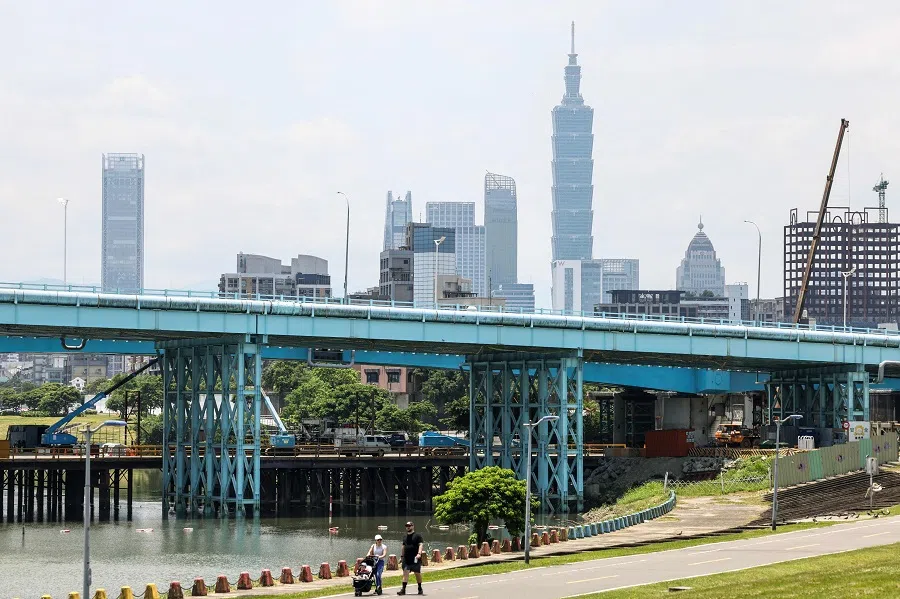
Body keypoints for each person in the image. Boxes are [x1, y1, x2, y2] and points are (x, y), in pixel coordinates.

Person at [398, 521, 424, 595]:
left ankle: (420, 587)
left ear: (413, 526)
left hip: (415, 558)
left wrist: (419, 553)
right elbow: (403, 547)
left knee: (417, 574)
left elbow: (420, 545)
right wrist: (402, 556)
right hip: (406, 558)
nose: (408, 527)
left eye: (409, 525)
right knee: (405, 572)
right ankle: (403, 589)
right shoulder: (404, 536)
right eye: (407, 526)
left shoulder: (418, 536)